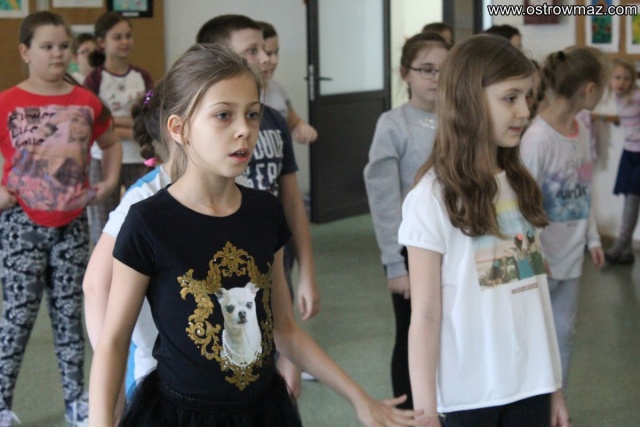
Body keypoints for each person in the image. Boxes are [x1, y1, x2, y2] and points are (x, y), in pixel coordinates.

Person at [88, 42, 427, 427]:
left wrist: (358, 397)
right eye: (223, 115)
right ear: (179, 129)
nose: (244, 130)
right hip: (181, 414)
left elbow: (284, 328)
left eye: (252, 114)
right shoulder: (148, 221)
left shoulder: (264, 212)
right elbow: (114, 341)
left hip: (260, 411)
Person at [398, 34, 569, 426]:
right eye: (510, 98)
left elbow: (537, 297)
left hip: (532, 387)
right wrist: (425, 412)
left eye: (528, 96)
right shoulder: (431, 198)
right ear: (468, 102)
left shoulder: (520, 182)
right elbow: (424, 315)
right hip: (469, 396)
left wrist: (554, 387)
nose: (525, 111)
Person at [0, 11, 121, 427]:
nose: (57, 53)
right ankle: (1, 402)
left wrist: (109, 181)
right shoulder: (7, 102)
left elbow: (110, 141)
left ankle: (75, 400)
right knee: (17, 316)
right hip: (21, 224)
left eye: (63, 46)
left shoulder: (86, 102)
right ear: (25, 52)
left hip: (71, 223)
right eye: (47, 46)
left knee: (70, 315)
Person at [196, 14, 320, 397]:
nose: (266, 58)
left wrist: (308, 272)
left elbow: (292, 203)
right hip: (225, 264)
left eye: (266, 49)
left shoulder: (276, 121)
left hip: (274, 257)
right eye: (252, 50)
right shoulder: (205, 131)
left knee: (282, 378)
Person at [364, 32, 449, 410]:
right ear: (405, 73)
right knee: (413, 332)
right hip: (410, 249)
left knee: (451, 332)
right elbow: (383, 199)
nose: (436, 78)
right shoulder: (393, 124)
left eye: (444, 70)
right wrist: (395, 264)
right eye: (427, 69)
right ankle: (411, 411)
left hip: (454, 245)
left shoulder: (460, 119)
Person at [520, 46, 607, 391]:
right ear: (589, 88)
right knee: (532, 336)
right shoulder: (537, 138)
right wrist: (534, 253)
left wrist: (593, 237)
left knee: (564, 333)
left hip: (570, 257)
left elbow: (584, 190)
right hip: (540, 260)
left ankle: (557, 406)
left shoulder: (580, 130)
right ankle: (531, 405)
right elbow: (523, 205)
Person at [84, 11, 154, 245]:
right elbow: (94, 121)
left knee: (142, 216)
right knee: (103, 222)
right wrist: (131, 128)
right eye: (117, 37)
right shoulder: (94, 79)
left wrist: (114, 121)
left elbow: (149, 117)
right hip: (102, 159)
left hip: (139, 156)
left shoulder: (142, 76)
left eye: (128, 36)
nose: (125, 41)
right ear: (102, 43)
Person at [258, 21, 318, 144]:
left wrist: (302, 129)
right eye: (268, 53)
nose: (275, 60)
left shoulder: (277, 89)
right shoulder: (238, 97)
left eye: (276, 53)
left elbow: (295, 123)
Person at [605, 57, 640, 265]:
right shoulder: (618, 97)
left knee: (632, 199)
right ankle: (626, 252)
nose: (621, 82)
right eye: (617, 77)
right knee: (628, 197)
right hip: (629, 153)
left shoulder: (636, 96)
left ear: (633, 80)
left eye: (627, 78)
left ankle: (621, 243)